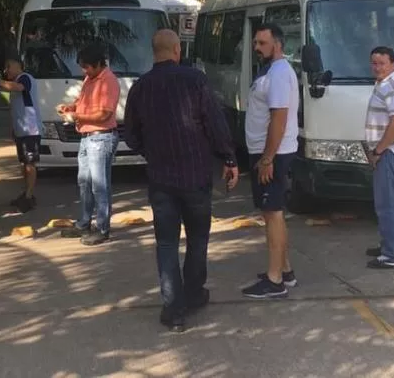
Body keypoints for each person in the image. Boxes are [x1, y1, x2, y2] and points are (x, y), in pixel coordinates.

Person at [124, 29, 239, 332]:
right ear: (177, 49)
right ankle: (194, 294)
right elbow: (216, 125)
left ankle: (173, 309)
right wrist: (229, 158)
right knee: (198, 239)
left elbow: (131, 135)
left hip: (161, 179)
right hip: (196, 176)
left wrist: (151, 151)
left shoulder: (140, 88)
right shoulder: (195, 80)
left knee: (166, 243)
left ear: (154, 51)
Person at [241, 23, 300, 299]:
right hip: (267, 152)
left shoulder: (278, 73)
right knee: (271, 213)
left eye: (262, 43)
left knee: (273, 214)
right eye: (255, 43)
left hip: (273, 154)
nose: (256, 48)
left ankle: (275, 281)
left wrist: (267, 158)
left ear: (277, 44)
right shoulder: (271, 71)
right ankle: (284, 271)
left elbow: (279, 117)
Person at [58, 42, 120, 246]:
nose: (84, 70)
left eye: (86, 67)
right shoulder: (90, 78)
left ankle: (102, 228)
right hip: (86, 137)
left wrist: (76, 115)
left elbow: (104, 114)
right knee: (84, 182)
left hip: (101, 137)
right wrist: (70, 107)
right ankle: (83, 223)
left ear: (97, 64)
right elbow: (82, 101)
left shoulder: (108, 81)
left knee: (100, 186)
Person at [364, 46, 394, 269]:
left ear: (393, 63)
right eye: (374, 63)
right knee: (383, 204)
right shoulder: (383, 84)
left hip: (391, 153)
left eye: (382, 63)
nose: (377, 68)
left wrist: (378, 150)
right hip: (386, 153)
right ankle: (388, 246)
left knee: (391, 205)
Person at [0, 56, 43, 213]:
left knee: (30, 164)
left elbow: (18, 88)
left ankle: (29, 196)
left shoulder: (25, 78)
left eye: (8, 66)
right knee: (24, 164)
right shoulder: (17, 81)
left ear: (19, 66)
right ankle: (26, 193)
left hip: (31, 130)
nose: (6, 70)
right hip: (22, 130)